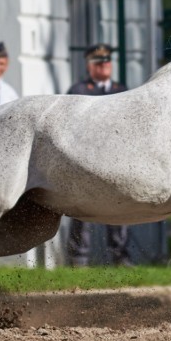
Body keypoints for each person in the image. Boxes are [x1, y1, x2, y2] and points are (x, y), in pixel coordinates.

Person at [65, 43, 133, 267]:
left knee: (118, 208)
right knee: (82, 209)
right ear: (89, 66)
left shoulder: (121, 90)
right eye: (99, 63)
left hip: (114, 161)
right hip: (84, 160)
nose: (104, 66)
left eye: (107, 62)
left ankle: (119, 255)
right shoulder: (78, 91)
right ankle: (78, 258)